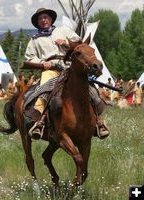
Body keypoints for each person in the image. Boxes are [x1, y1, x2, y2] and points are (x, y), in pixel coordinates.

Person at [24, 8, 109, 139]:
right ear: (37, 22)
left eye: (45, 17)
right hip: (50, 69)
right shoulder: (34, 40)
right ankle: (39, 123)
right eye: (40, 19)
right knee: (44, 91)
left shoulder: (63, 31)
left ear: (51, 19)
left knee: (90, 89)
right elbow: (29, 58)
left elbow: (81, 45)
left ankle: (98, 121)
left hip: (69, 67)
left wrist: (66, 43)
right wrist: (43, 62)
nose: (43, 20)